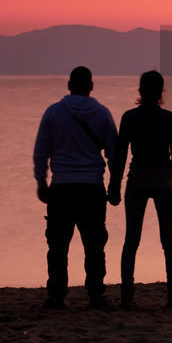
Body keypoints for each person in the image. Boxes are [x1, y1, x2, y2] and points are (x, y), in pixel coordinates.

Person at [33, 65, 119, 310]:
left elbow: (41, 151)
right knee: (94, 244)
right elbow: (113, 152)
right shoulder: (102, 114)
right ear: (91, 86)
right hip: (92, 187)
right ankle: (95, 294)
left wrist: (42, 181)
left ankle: (57, 295)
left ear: (69, 86)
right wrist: (114, 185)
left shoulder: (53, 113)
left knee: (58, 245)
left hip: (62, 187)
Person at [109, 69, 172, 310]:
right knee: (168, 240)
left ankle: (127, 297)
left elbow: (120, 155)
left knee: (132, 240)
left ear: (140, 91)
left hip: (138, 178)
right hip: (163, 179)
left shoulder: (129, 118)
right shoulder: (169, 118)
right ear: (161, 92)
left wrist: (114, 184)